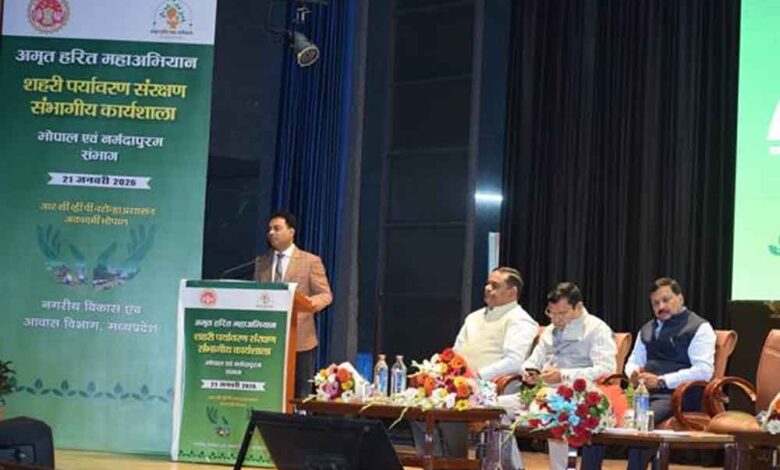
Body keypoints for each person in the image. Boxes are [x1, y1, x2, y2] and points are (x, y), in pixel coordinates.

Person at [412, 267, 539, 470]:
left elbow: (515, 361)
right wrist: (440, 372)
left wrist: (477, 376)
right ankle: (442, 464)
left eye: (495, 285)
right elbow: (455, 352)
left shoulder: (519, 320)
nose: (488, 288)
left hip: (491, 386)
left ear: (512, 292)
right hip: (461, 384)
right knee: (418, 405)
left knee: (450, 406)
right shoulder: (473, 318)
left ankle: (455, 463)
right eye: (488, 284)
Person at [583, 277, 716, 470]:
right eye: (655, 303)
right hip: (644, 394)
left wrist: (662, 381)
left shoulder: (699, 328)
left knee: (641, 423)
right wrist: (633, 374)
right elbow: (633, 361)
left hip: (678, 396)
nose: (661, 306)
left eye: (666, 300)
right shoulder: (647, 329)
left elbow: (704, 371)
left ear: (680, 298)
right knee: (600, 416)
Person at [509, 282, 616, 470]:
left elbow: (607, 368)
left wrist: (564, 376)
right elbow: (532, 361)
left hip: (577, 395)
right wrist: (529, 372)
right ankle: (513, 466)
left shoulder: (596, 328)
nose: (556, 319)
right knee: (497, 409)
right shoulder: (549, 330)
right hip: (543, 392)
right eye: (551, 313)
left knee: (556, 412)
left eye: (562, 313)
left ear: (578, 307)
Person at [254, 211, 333, 398]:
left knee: (301, 394)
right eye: (269, 230)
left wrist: (309, 303)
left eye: (277, 228)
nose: (271, 233)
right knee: (270, 392)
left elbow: (325, 295)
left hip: (301, 340)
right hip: (268, 339)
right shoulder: (261, 262)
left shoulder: (310, 261)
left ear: (291, 232)